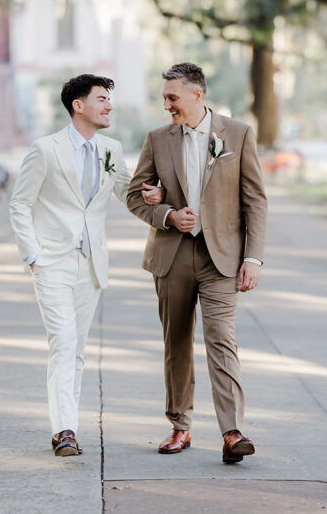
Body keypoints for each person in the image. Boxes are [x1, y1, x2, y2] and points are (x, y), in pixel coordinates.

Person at [8, 74, 159, 457]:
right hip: (52, 261)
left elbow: (128, 193)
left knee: (76, 349)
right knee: (63, 343)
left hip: (91, 263)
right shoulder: (45, 149)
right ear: (79, 105)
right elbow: (20, 203)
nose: (109, 106)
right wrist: (32, 255)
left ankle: (68, 425)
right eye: (102, 99)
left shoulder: (110, 149)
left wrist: (155, 197)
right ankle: (64, 431)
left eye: (109, 100)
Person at [126, 62, 268, 464]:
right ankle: (180, 426)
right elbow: (136, 196)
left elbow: (255, 200)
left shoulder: (237, 134)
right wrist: (168, 215)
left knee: (222, 339)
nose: (167, 105)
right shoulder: (157, 138)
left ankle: (232, 431)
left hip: (222, 258)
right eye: (165, 98)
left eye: (173, 97)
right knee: (177, 343)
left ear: (197, 95)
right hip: (171, 256)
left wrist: (253, 257)